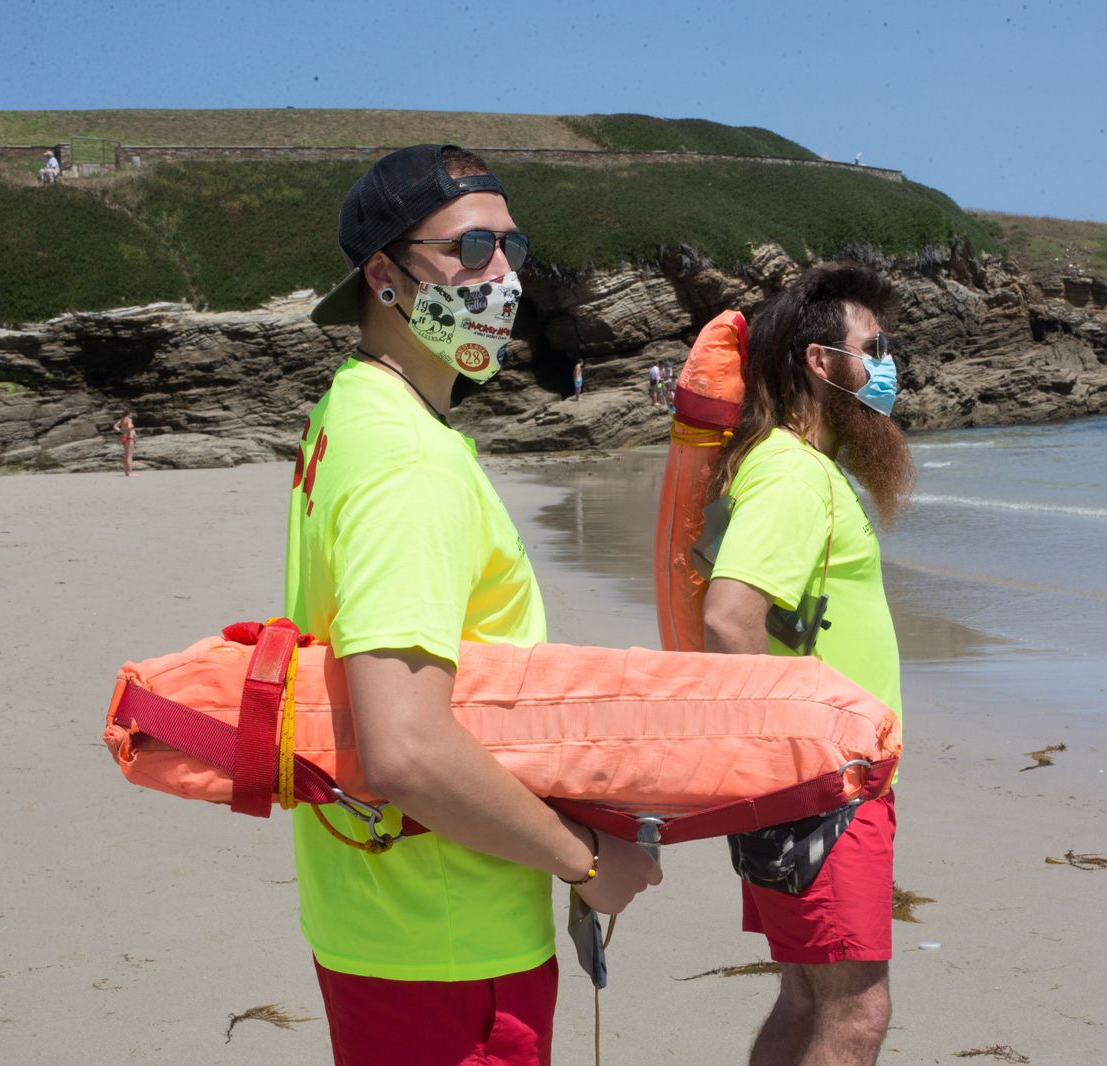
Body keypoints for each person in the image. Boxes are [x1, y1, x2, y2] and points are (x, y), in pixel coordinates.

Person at [293, 144, 660, 1065]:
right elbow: (406, 747)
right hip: (449, 944)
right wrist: (586, 862)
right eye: (469, 249)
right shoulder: (411, 463)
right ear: (383, 274)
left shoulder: (348, 411)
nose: (501, 276)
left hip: (376, 913)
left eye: (511, 248)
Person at [702, 263, 914, 1066]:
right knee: (855, 1014)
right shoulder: (794, 474)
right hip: (824, 791)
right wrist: (792, 765)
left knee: (804, 998)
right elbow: (729, 618)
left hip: (812, 789)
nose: (889, 365)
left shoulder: (784, 464)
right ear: (822, 363)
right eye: (876, 347)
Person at [111, 407, 136, 476]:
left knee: (125, 455)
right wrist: (130, 430)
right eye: (131, 413)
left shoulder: (122, 419)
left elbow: (115, 426)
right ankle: (130, 472)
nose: (132, 414)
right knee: (129, 456)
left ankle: (126, 472)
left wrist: (121, 430)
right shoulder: (129, 419)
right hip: (129, 438)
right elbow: (129, 426)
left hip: (124, 438)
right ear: (129, 413)